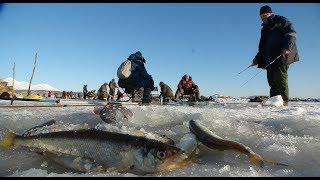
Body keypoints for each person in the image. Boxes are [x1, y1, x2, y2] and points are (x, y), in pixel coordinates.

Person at [252, 5, 299, 106]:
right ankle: (274, 102)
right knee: (271, 81)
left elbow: (291, 33)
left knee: (280, 79)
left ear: (271, 13)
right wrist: (257, 59)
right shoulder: (264, 29)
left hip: (282, 55)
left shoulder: (281, 21)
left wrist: (287, 47)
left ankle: (284, 102)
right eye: (261, 16)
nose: (263, 18)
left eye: (265, 15)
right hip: (270, 58)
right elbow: (263, 46)